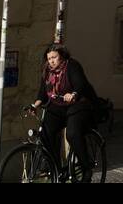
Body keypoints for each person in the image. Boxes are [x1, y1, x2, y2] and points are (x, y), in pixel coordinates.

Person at [31, 43, 98, 180]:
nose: (51, 61)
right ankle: (56, 169)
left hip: (77, 104)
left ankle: (86, 168)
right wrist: (35, 105)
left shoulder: (71, 65)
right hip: (58, 106)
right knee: (45, 133)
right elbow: (43, 92)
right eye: (49, 58)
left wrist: (73, 94)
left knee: (72, 134)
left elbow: (80, 84)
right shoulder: (47, 71)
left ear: (61, 56)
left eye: (54, 57)